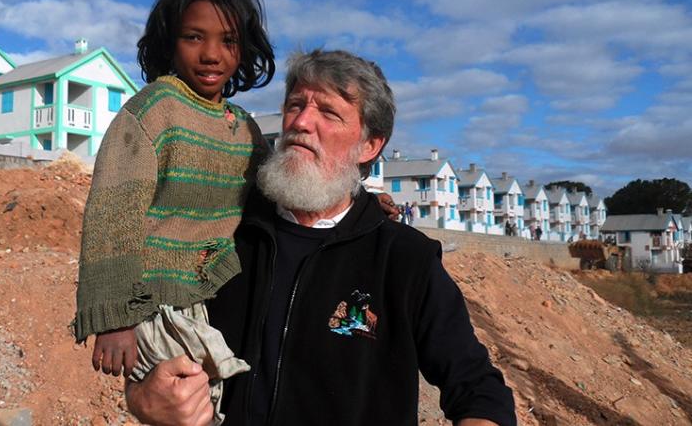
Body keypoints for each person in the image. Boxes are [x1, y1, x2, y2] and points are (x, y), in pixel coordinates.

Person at [126, 49, 516, 426]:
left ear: (370, 145)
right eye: (296, 105)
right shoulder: (223, 232)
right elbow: (156, 342)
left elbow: (479, 390)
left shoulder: (404, 259)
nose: (300, 122)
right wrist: (144, 399)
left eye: (328, 112)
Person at [73, 0, 275, 424]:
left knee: (216, 407)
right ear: (169, 41)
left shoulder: (243, 125)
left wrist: (361, 202)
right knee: (185, 410)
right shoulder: (153, 111)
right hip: (156, 304)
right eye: (193, 37)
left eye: (228, 41)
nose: (212, 54)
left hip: (212, 295)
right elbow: (114, 217)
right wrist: (116, 320)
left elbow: (272, 191)